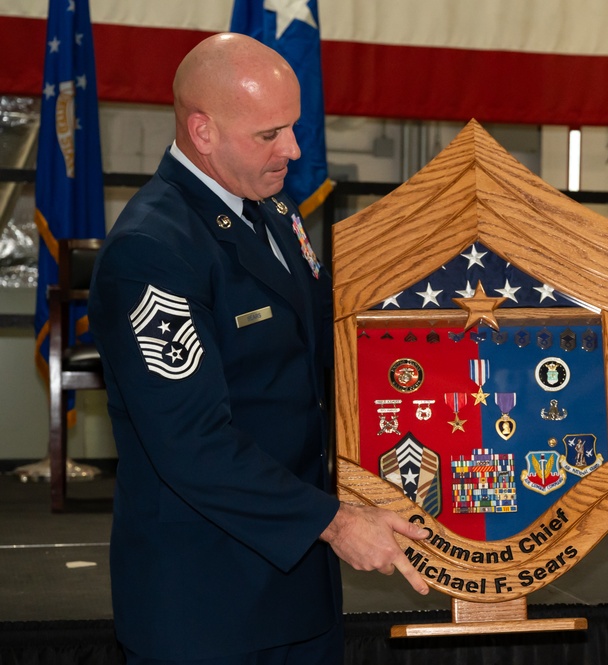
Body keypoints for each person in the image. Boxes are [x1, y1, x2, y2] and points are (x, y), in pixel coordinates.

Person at [89, 33, 428, 664]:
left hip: (299, 588)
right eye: (269, 133)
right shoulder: (153, 251)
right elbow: (192, 443)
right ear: (203, 131)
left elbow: (322, 342)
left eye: (293, 127)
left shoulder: (272, 210)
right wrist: (335, 522)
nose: (294, 150)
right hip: (209, 607)